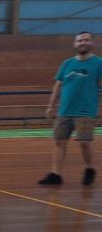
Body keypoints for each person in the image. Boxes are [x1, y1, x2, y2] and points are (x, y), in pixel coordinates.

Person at [38, 31, 102, 186]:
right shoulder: (67, 63)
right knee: (59, 142)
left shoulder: (98, 63)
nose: (83, 42)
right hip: (65, 111)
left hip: (86, 111)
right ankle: (56, 174)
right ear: (75, 44)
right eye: (80, 40)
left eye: (86, 40)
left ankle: (90, 169)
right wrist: (50, 106)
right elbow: (58, 84)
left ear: (91, 43)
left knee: (84, 142)